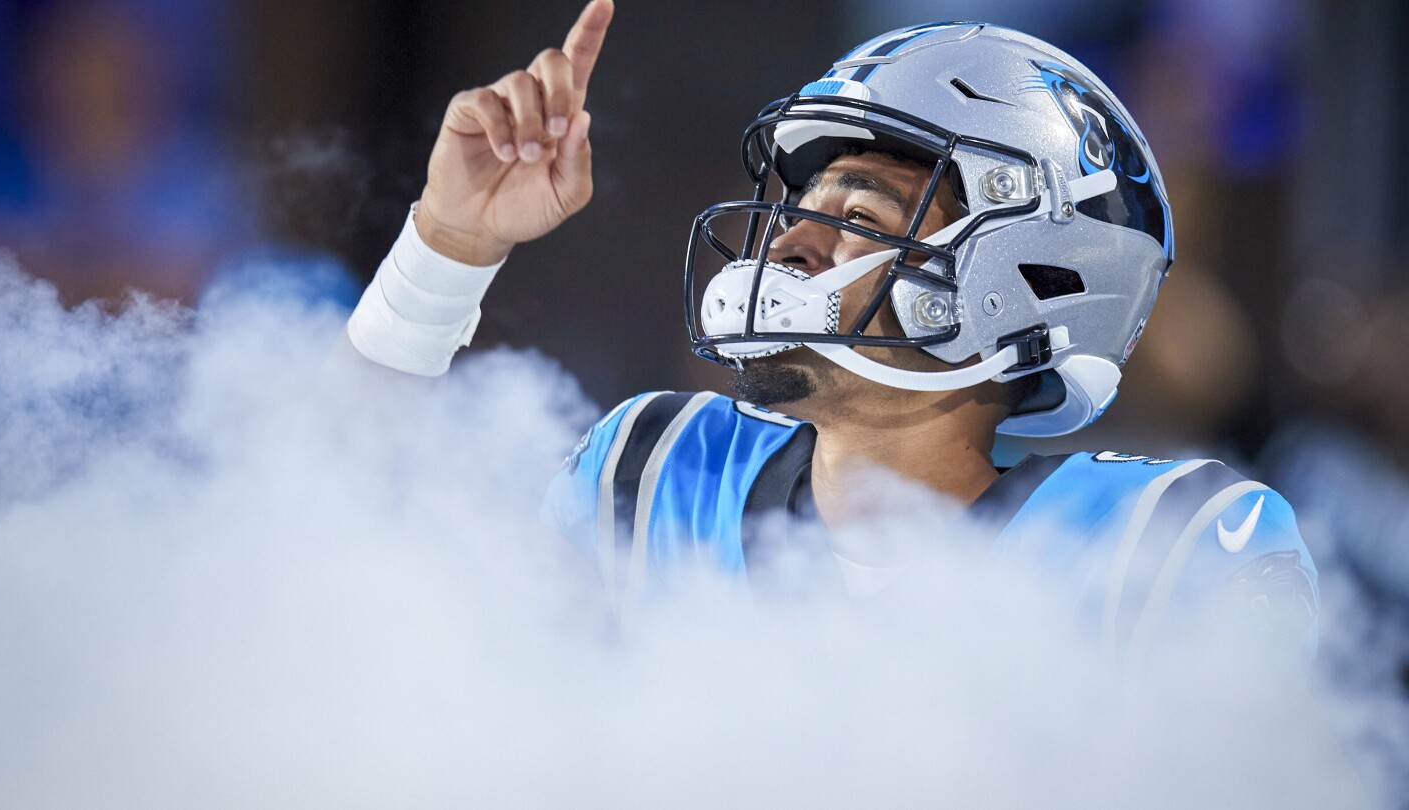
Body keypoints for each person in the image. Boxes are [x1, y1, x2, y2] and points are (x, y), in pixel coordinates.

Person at [343, 0, 1317, 656]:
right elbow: (335, 538)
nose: (790, 240)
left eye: (858, 215)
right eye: (797, 204)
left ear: (1020, 280)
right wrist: (447, 246)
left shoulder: (1164, 551)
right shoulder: (654, 469)